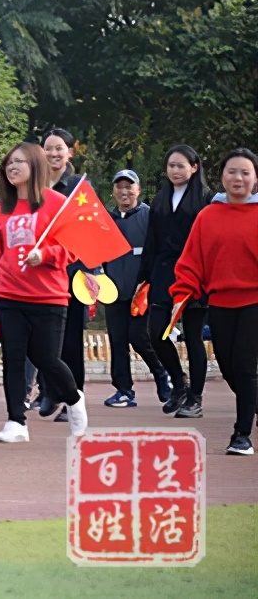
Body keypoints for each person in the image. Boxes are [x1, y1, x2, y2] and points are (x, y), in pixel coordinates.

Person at [0, 143, 88, 443]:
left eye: (19, 161)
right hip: (9, 295)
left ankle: (73, 399)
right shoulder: (2, 208)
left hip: (48, 296)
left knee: (47, 359)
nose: (12, 167)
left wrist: (44, 255)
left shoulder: (56, 204)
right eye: (9, 163)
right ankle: (16, 421)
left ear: (35, 166)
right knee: (13, 359)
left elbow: (72, 249)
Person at [170, 148, 258, 455]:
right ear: (221, 176)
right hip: (219, 302)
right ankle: (252, 407)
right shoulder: (208, 216)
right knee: (228, 365)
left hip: (254, 302)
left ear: (255, 179)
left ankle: (241, 435)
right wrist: (183, 291)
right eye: (232, 171)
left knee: (244, 365)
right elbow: (192, 260)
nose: (238, 178)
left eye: (245, 172)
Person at [136, 144, 210, 419]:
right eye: (171, 166)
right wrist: (144, 279)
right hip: (163, 274)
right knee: (156, 333)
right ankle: (179, 384)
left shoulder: (206, 199)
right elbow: (151, 242)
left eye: (181, 165)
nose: (175, 171)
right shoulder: (160, 200)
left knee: (193, 338)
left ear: (194, 167)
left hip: (195, 277)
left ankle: (195, 399)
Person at [102, 170, 171, 408]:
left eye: (129, 186)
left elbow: (160, 253)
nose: (124, 191)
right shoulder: (106, 221)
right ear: (113, 191)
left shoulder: (150, 217)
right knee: (118, 340)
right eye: (119, 186)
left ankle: (163, 375)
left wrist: (152, 285)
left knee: (139, 337)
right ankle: (123, 390)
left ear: (138, 190)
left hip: (141, 293)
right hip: (112, 291)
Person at [38, 128, 88, 422]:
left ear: (71, 152)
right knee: (42, 337)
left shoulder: (80, 186)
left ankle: (73, 396)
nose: (54, 154)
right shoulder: (34, 184)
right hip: (40, 270)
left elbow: (88, 229)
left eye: (60, 148)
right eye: (49, 148)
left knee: (70, 340)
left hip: (72, 271)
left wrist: (92, 271)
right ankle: (49, 390)